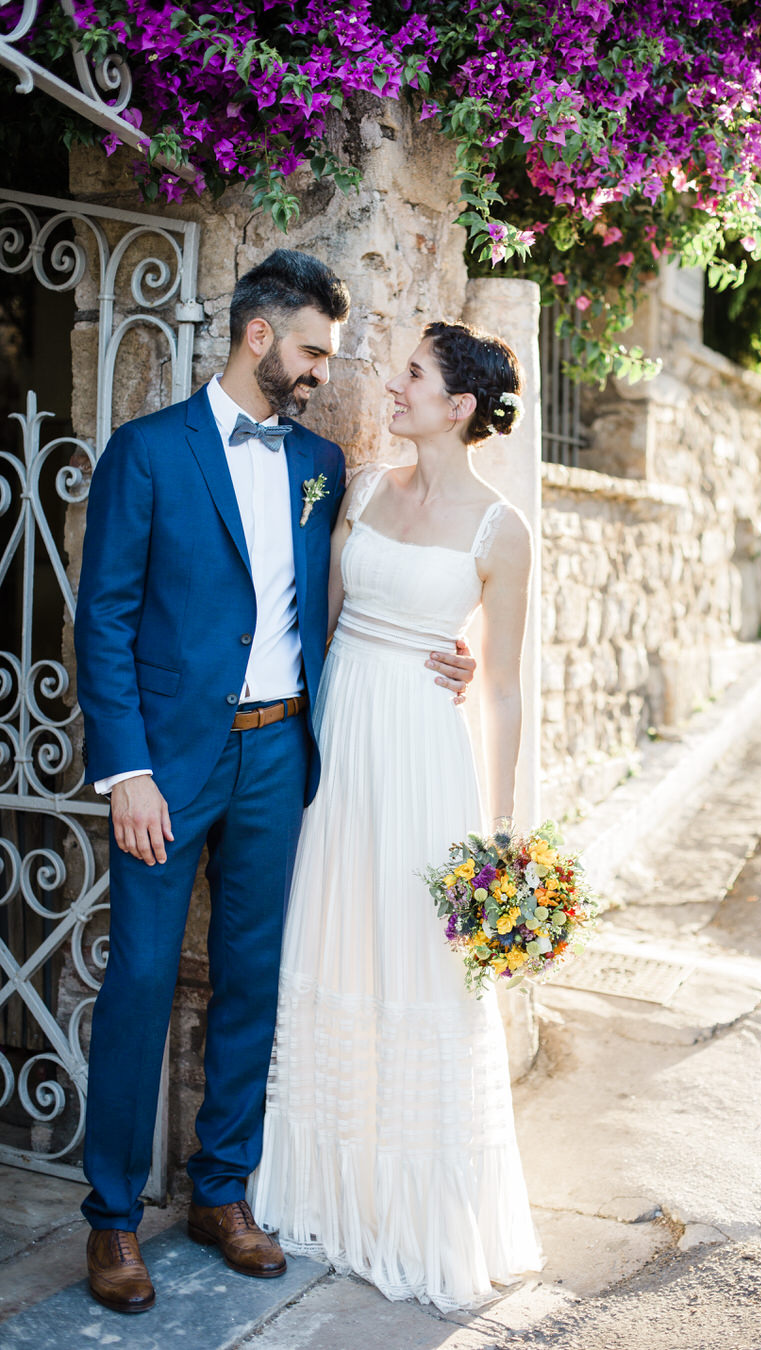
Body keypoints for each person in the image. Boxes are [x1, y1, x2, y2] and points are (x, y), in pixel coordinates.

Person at [73, 253, 474, 1315]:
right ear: (259, 337)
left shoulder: (322, 463)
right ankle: (112, 1221)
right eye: (309, 352)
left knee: (255, 979)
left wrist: (452, 653)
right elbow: (103, 620)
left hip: (279, 757)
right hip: (165, 766)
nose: (320, 374)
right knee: (144, 983)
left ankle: (221, 1193)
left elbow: (369, 593)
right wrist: (128, 770)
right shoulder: (147, 453)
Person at [249, 321, 543, 1311]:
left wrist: (498, 839)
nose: (394, 385)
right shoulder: (366, 487)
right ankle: (332, 1191)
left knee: (417, 965)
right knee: (333, 945)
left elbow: (498, 688)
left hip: (424, 756)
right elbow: (318, 620)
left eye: (413, 375)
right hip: (342, 742)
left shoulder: (503, 531)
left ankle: (417, 1211)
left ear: (459, 407)